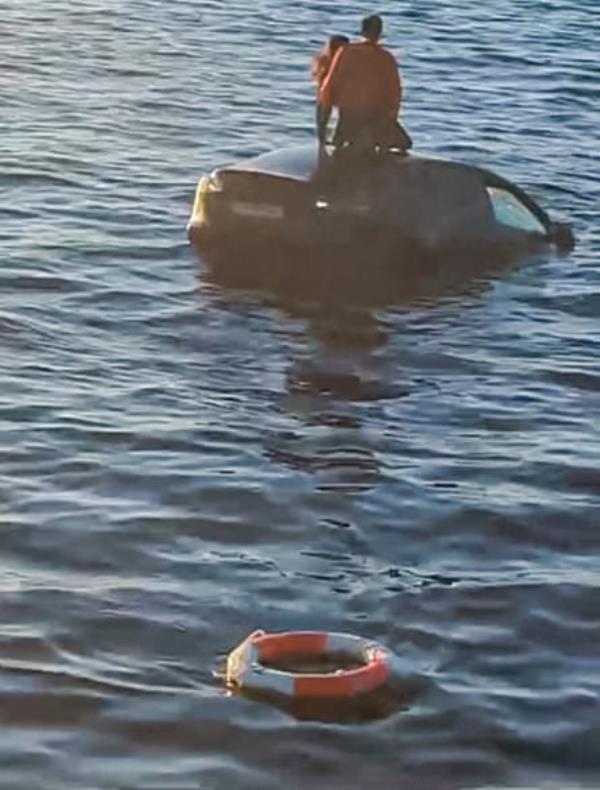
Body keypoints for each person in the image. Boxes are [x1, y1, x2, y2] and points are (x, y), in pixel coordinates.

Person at [318, 14, 412, 153]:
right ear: (380, 33)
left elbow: (330, 85)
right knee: (404, 144)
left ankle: (353, 138)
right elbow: (394, 93)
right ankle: (368, 139)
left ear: (362, 31)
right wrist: (390, 119)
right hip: (375, 116)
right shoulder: (386, 58)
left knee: (346, 138)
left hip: (350, 115)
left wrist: (322, 130)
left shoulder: (346, 51)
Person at [311, 35, 349, 146]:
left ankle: (336, 138)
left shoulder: (325, 58)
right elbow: (318, 76)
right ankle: (324, 139)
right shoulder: (323, 59)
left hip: (339, 89)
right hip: (328, 89)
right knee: (324, 114)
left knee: (342, 114)